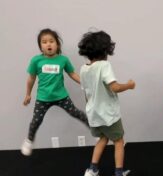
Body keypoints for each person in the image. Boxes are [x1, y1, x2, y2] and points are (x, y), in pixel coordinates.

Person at [21, 28, 89, 156]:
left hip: (61, 96)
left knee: (76, 113)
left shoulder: (63, 60)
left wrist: (84, 83)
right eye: (44, 42)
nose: (48, 44)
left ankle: (95, 131)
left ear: (57, 44)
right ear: (40, 46)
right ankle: (29, 140)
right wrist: (28, 94)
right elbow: (31, 78)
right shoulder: (36, 61)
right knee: (36, 120)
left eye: (51, 41)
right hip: (43, 98)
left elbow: (72, 73)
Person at [78, 30, 135, 176]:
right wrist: (129, 85)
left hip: (94, 113)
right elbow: (114, 87)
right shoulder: (104, 66)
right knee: (119, 141)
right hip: (108, 114)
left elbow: (86, 93)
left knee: (102, 138)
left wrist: (91, 108)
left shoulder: (84, 69)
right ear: (105, 50)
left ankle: (92, 169)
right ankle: (119, 172)